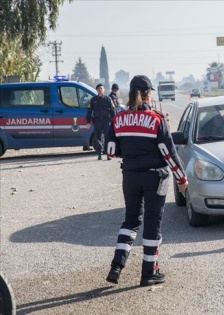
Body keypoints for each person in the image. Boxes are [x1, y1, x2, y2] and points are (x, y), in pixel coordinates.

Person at [104, 75, 188, 287]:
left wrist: (131, 153)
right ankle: (149, 271)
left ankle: (117, 266)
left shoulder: (118, 119)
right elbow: (169, 154)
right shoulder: (157, 119)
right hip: (154, 177)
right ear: (148, 93)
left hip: (130, 175)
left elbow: (111, 151)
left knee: (130, 220)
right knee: (152, 222)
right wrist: (182, 178)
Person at [86, 83, 116, 160]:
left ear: (104, 90)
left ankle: (108, 154)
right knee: (97, 137)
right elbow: (89, 111)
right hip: (97, 120)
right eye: (98, 88)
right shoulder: (93, 100)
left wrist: (114, 120)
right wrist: (88, 122)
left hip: (106, 120)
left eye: (101, 88)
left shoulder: (108, 99)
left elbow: (112, 110)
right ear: (96, 90)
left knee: (107, 137)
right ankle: (100, 153)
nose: (100, 90)